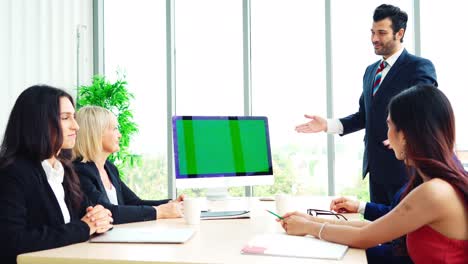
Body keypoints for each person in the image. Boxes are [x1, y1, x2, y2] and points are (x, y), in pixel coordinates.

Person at [281, 84, 468, 263]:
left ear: (404, 135)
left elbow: (365, 236)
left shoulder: (435, 192)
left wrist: (310, 228)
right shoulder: (437, 182)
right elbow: (374, 228)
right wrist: (310, 221)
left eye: (389, 125)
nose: (387, 136)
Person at [295, 4, 437, 205]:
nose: (374, 39)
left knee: (402, 231)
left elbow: (426, 107)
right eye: (372, 32)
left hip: (404, 167)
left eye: (381, 33)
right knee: (378, 230)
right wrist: (328, 124)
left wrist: (408, 135)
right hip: (376, 168)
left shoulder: (419, 66)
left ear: (400, 33)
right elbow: (364, 116)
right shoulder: (371, 72)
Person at [0, 85, 113, 264]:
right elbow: (12, 242)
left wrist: (99, 216)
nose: (76, 126)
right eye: (65, 118)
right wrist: (84, 227)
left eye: (74, 117)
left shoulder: (64, 171)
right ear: (38, 123)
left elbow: (89, 213)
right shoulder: (12, 174)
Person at [72, 106, 183, 224]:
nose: (119, 135)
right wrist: (159, 212)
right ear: (96, 133)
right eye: (114, 129)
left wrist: (171, 204)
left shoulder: (109, 168)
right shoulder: (79, 171)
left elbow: (134, 202)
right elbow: (108, 212)